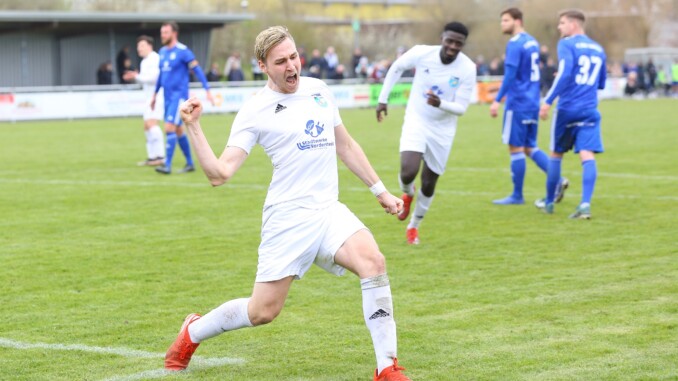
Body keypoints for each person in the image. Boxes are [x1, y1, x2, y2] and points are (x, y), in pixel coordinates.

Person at [163, 26, 412, 381]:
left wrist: (381, 191)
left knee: (374, 262)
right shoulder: (255, 110)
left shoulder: (319, 90)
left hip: (328, 210)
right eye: (281, 61)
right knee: (263, 311)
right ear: (263, 65)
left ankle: (387, 367)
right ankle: (193, 331)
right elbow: (220, 173)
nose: (292, 66)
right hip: (288, 219)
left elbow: (346, 146)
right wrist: (194, 126)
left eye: (294, 56)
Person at [376, 21, 476, 245]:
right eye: (449, 41)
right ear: (442, 37)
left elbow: (461, 108)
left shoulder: (467, 68)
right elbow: (396, 68)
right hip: (417, 120)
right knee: (407, 172)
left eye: (458, 44)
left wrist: (440, 103)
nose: (452, 46)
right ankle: (408, 194)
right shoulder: (422, 53)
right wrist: (383, 99)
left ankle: (413, 227)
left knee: (429, 183)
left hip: (443, 130)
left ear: (463, 45)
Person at [489, 8, 568, 206]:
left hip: (517, 102)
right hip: (533, 101)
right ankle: (557, 179)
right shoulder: (532, 41)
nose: (502, 24)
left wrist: (497, 100)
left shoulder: (515, 44)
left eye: (505, 20)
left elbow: (510, 75)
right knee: (529, 146)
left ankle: (517, 195)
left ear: (517, 21)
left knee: (515, 148)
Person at [537, 9, 607, 219]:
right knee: (587, 155)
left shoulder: (567, 44)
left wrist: (547, 101)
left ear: (573, 25)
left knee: (556, 154)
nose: (559, 27)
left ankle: (549, 202)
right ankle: (585, 205)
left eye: (562, 23)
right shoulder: (598, 48)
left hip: (567, 109)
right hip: (589, 109)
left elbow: (566, 73)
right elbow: (601, 83)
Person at [151, 21, 215, 175]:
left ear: (174, 33)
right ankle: (190, 163)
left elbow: (197, 70)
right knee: (179, 130)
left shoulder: (183, 51)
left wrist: (207, 89)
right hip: (167, 97)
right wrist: (154, 94)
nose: (163, 35)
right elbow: (161, 76)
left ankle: (167, 165)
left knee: (169, 128)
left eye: (165, 32)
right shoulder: (162, 52)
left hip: (178, 97)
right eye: (162, 32)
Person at [122, 35, 165, 166]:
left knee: (152, 124)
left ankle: (161, 156)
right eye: (138, 46)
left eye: (142, 46)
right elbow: (144, 80)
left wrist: (137, 76)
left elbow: (155, 78)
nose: (139, 49)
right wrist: (135, 77)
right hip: (148, 97)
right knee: (146, 126)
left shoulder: (155, 58)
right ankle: (152, 157)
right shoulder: (144, 62)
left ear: (149, 46)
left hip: (157, 96)